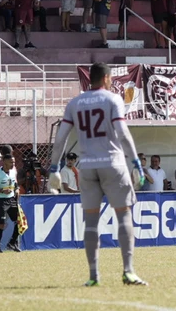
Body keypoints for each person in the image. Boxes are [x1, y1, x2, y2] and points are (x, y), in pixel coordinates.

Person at [46, 64, 147, 285]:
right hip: (113, 163)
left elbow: (61, 137)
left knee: (90, 222)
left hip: (88, 167)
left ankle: (93, 276)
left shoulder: (74, 103)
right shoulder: (112, 100)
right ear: (107, 78)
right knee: (124, 216)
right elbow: (122, 132)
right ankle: (128, 271)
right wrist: (136, 163)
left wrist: (54, 168)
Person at [0, 147, 24, 254]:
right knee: (1, 224)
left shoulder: (12, 172)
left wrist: (16, 190)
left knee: (19, 222)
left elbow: (14, 184)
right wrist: (1, 190)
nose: (13, 164)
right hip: (0, 201)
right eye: (11, 162)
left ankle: (12, 242)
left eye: (14, 162)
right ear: (4, 162)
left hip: (11, 199)